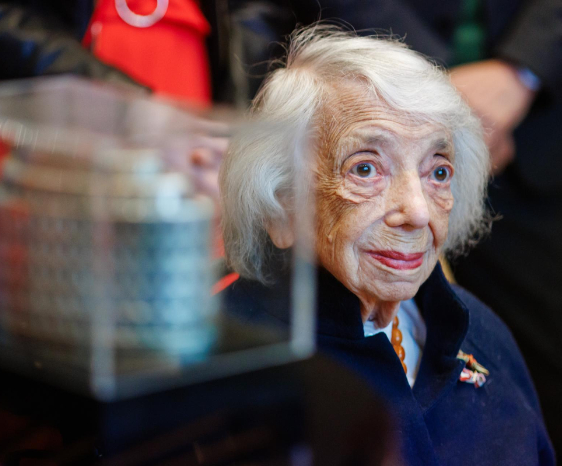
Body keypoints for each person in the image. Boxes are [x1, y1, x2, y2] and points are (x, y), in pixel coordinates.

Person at [220, 27, 554, 465]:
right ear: (281, 206)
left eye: (438, 172)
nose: (417, 210)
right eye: (365, 169)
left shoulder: (481, 329)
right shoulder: (227, 368)